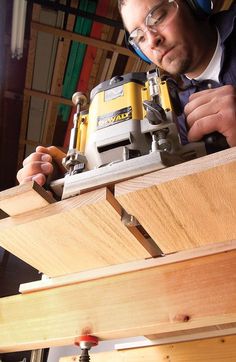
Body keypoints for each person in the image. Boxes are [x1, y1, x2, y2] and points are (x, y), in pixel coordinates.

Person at [17, 0, 236, 185]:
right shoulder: (173, 113)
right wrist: (62, 178)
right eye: (139, 37)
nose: (152, 40)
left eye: (157, 17)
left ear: (194, 4)